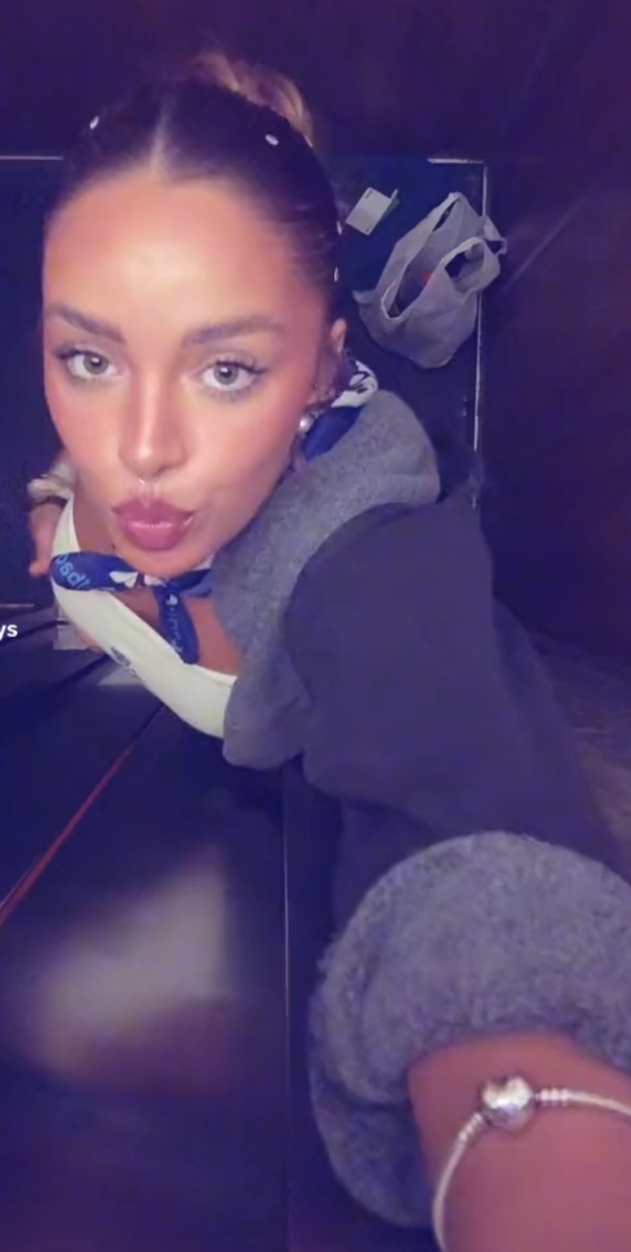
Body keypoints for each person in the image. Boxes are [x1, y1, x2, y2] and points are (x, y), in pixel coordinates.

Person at [27, 50, 631, 1252]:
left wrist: (529, 1121)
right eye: (90, 357)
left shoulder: (370, 556)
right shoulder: (114, 474)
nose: (139, 448)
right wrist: (62, 524)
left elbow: (459, 788)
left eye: (226, 368)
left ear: (321, 369)